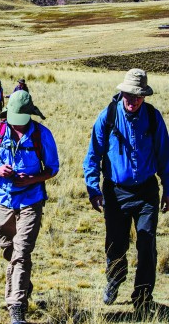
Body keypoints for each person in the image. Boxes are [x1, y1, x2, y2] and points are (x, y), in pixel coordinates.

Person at [83, 68, 169, 316]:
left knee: (147, 241)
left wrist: (167, 189)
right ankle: (114, 279)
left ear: (145, 96)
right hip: (115, 192)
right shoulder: (107, 117)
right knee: (116, 245)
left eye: (138, 96)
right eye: (129, 95)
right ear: (121, 92)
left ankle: (142, 298)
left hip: (146, 192)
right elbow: (92, 157)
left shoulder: (153, 118)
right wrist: (93, 189)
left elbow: (165, 157)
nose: (133, 101)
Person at [0, 90, 59, 324]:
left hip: (31, 200)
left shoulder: (42, 136)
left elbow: (52, 168)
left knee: (22, 252)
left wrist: (31, 179)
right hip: (3, 199)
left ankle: (17, 308)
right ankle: (23, 283)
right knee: (8, 249)